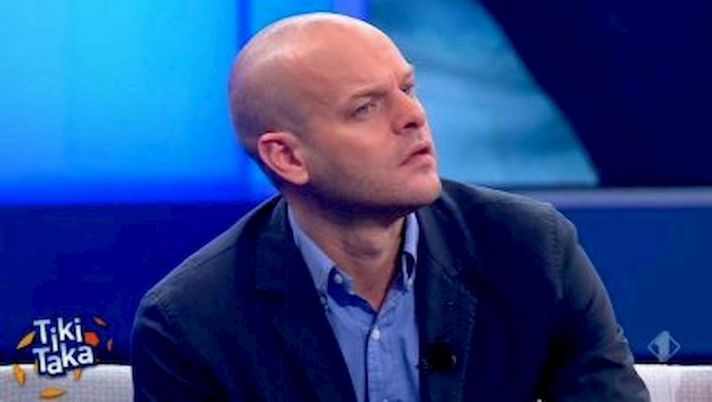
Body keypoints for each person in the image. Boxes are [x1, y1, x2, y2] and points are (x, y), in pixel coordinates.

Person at [131, 12, 650, 402]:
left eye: (407, 88)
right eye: (365, 108)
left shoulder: (529, 249)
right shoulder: (192, 321)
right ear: (287, 157)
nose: (414, 117)